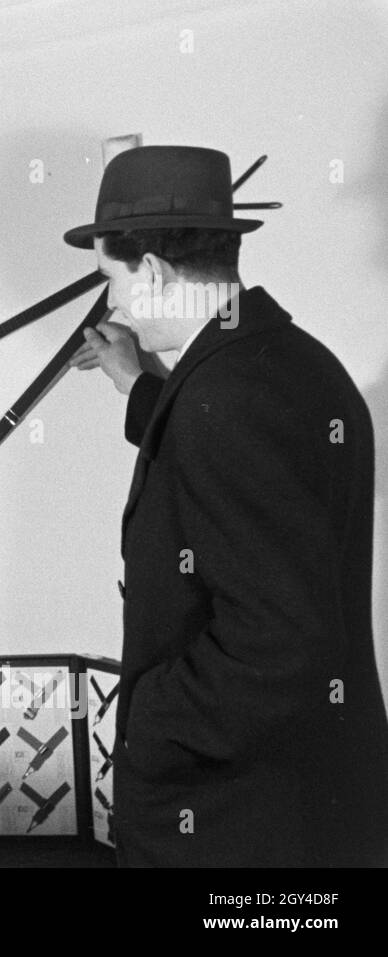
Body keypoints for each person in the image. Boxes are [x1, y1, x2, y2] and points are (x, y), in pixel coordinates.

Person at [66, 145, 388, 866]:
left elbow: (277, 640)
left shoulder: (225, 399)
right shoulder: (295, 364)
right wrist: (137, 383)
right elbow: (233, 465)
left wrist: (146, 723)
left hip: (235, 824)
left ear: (151, 272)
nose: (113, 305)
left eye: (112, 283)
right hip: (312, 812)